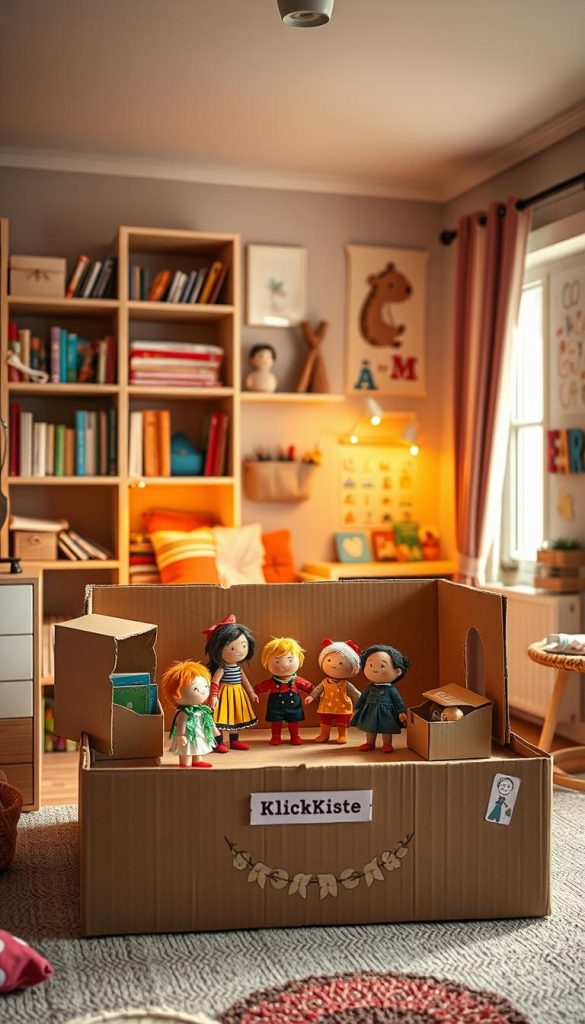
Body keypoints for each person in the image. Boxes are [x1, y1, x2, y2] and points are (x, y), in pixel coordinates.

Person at [203, 614, 259, 752]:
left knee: (236, 717)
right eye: (232, 648)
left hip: (238, 695)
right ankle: (219, 742)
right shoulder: (222, 668)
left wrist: (251, 693)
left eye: (244, 646)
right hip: (224, 695)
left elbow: (244, 681)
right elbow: (215, 681)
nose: (240, 651)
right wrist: (214, 696)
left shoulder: (238, 667)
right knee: (222, 718)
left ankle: (234, 741)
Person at [351, 643, 410, 753]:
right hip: (370, 711)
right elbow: (362, 699)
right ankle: (370, 743)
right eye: (371, 665)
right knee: (369, 728)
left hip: (386, 713)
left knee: (387, 729)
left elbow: (398, 701)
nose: (375, 669)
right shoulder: (370, 687)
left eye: (382, 666)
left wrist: (401, 712)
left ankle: (387, 744)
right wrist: (357, 709)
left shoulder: (390, 689)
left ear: (397, 672)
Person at [160, 660, 220, 768]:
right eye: (196, 689)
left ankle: (197, 760)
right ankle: (185, 762)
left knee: (199, 746)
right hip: (187, 735)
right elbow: (180, 724)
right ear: (176, 693)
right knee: (187, 749)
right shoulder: (184, 713)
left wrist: (214, 729)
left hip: (199, 733)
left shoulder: (204, 710)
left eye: (206, 687)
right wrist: (181, 735)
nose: (203, 691)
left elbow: (208, 721)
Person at [255, 637, 314, 745]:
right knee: (276, 722)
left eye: (290, 660)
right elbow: (260, 688)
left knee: (293, 722)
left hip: (293, 704)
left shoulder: (296, 680)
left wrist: (315, 693)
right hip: (275, 704)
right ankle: (276, 736)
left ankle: (295, 736)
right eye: (277, 661)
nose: (284, 664)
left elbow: (308, 687)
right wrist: (253, 693)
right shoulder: (271, 681)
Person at [305, 639, 361, 744]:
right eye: (329, 660)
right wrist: (311, 697)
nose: (334, 665)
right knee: (325, 721)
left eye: (341, 663)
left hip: (342, 706)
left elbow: (355, 694)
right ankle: (324, 734)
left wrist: (361, 701)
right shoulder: (324, 682)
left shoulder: (346, 684)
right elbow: (317, 690)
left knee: (342, 722)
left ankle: (342, 735)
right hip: (326, 706)